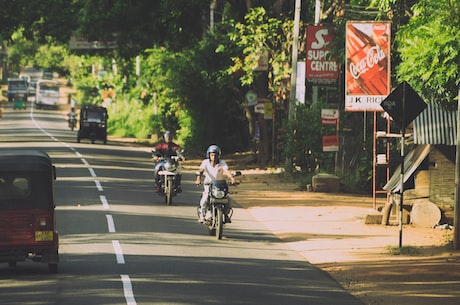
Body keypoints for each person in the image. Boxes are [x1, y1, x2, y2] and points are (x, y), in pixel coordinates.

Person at [195, 145, 236, 223]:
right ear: (209, 155)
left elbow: (226, 171)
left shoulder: (222, 163)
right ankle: (202, 216)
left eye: (215, 155)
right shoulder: (205, 162)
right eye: (212, 155)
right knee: (204, 199)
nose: (213, 157)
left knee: (229, 199)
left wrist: (232, 178)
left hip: (220, 185)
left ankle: (226, 214)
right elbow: (201, 171)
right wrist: (198, 179)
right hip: (209, 185)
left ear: (219, 155)